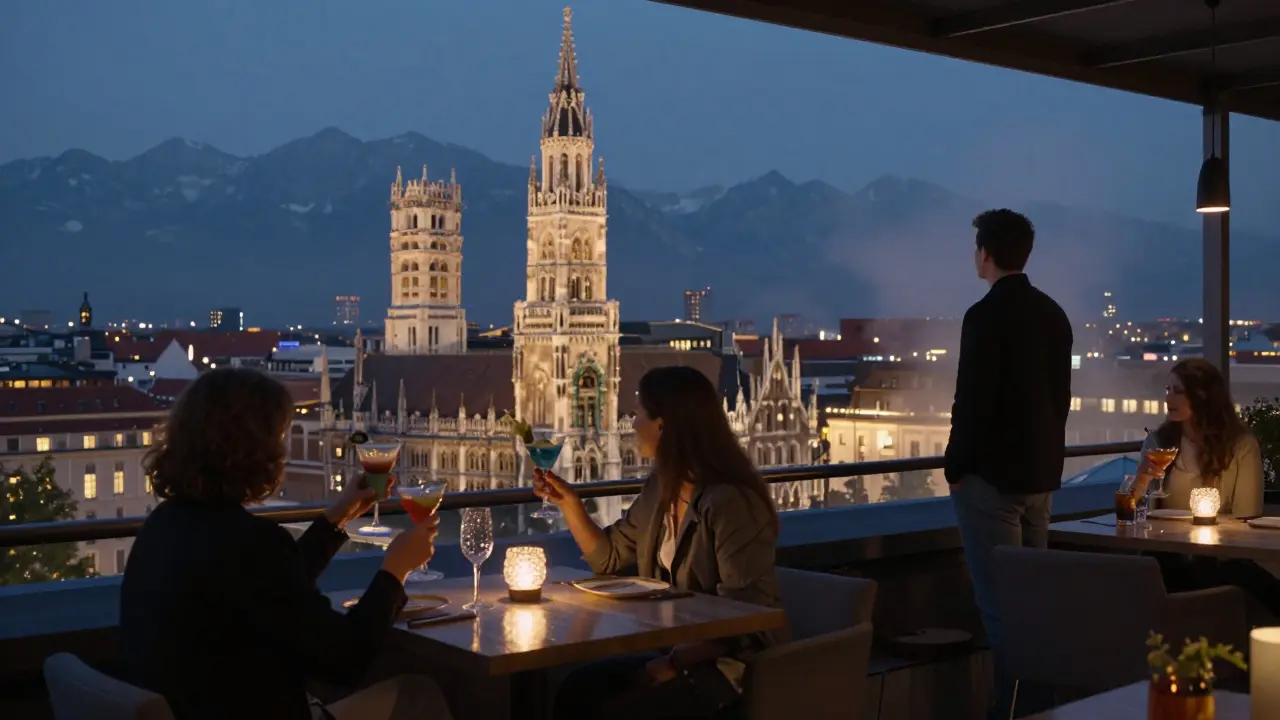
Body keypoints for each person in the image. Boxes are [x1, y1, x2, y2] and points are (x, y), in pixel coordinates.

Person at [119, 368, 453, 720]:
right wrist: (395, 569)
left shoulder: (165, 525)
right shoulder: (251, 543)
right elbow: (346, 660)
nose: (284, 449)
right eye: (280, 436)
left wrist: (336, 517)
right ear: (254, 451)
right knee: (418, 695)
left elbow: (268, 589)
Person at [534, 365, 785, 720]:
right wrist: (570, 504)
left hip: (730, 667)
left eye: (638, 414)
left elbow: (743, 620)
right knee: (578, 687)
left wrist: (670, 662)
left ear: (663, 425)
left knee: (613, 710)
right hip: (676, 649)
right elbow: (608, 559)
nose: (632, 424)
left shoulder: (730, 503)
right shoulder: (661, 488)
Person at [944, 209, 1073, 718]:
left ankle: (1012, 711)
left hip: (990, 482)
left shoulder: (985, 315)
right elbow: (1059, 400)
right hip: (1040, 479)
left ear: (986, 254)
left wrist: (956, 467)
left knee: (1000, 611)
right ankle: (1042, 708)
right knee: (1034, 608)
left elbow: (971, 400)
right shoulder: (1053, 313)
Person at [1130, 359, 1276, 615]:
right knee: (1164, 568)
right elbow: (1135, 514)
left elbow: (1247, 517)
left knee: (1233, 574)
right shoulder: (1158, 441)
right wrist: (1141, 480)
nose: (1168, 398)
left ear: (1203, 397)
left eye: (1177, 391)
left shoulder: (1241, 445)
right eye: (1167, 389)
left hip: (1222, 556)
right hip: (1167, 554)